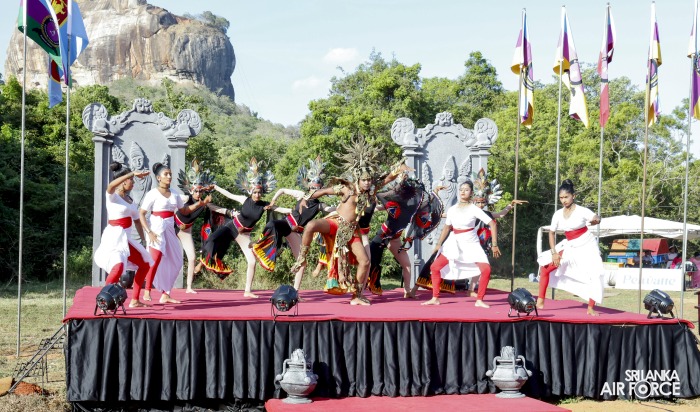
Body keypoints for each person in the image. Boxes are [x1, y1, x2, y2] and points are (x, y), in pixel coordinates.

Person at [290, 135, 408, 305]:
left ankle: (357, 295)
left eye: (369, 180)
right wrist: (306, 198)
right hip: (335, 222)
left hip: (351, 230)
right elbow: (324, 191)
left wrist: (399, 169)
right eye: (364, 180)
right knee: (311, 225)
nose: (367, 183)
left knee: (365, 262)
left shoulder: (371, 190)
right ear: (358, 179)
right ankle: (302, 257)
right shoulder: (347, 189)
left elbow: (387, 178)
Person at [199, 158, 279, 298]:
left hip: (244, 235)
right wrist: (215, 187)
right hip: (232, 227)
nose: (257, 195)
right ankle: (201, 263)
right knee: (213, 238)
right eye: (255, 192)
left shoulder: (264, 205)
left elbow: (279, 209)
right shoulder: (244, 199)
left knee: (252, 261)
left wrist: (293, 212)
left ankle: (247, 291)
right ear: (251, 192)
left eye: (259, 192)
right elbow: (229, 195)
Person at [251, 156, 333, 290]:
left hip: (295, 232)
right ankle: (260, 246)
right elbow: (282, 190)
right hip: (286, 224)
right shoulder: (301, 195)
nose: (314, 191)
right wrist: (273, 201)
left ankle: (295, 291)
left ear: (321, 191)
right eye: (312, 188)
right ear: (309, 187)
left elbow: (332, 210)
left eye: (317, 189)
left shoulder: (319, 205)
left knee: (302, 262)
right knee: (273, 224)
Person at [139, 161, 211, 304]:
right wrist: (149, 232)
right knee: (155, 259)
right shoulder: (152, 194)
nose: (169, 176)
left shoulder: (174, 193)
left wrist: (200, 204)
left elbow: (184, 210)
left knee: (176, 261)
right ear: (158, 178)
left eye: (170, 174)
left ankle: (166, 294)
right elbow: (141, 214)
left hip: (170, 229)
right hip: (156, 229)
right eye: (166, 174)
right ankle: (147, 290)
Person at [422, 180, 500, 307]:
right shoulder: (452, 209)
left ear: (471, 193)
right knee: (434, 267)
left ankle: (479, 300)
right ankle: (435, 298)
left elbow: (492, 223)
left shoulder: (474, 209)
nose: (463, 192)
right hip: (453, 242)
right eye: (461, 189)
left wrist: (495, 245)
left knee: (486, 269)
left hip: (471, 243)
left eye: (466, 190)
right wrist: (438, 244)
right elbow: (447, 227)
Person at [536, 179, 604, 316]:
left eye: (566, 197)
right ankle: (540, 302)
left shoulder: (582, 210)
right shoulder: (558, 214)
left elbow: (596, 217)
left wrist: (596, 219)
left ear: (573, 196)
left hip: (587, 244)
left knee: (595, 274)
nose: (564, 200)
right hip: (570, 245)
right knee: (545, 268)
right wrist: (554, 253)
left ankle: (591, 307)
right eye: (561, 198)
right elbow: (551, 233)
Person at [94, 162, 152, 308]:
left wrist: (143, 239)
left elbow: (137, 221)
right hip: (114, 238)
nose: (133, 183)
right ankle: (104, 300)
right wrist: (132, 173)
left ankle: (135, 300)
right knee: (118, 267)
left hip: (126, 239)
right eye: (131, 180)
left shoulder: (130, 200)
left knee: (145, 264)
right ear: (123, 181)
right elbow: (110, 186)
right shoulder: (112, 196)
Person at [469, 168, 527, 296]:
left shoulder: (486, 213)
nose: (480, 205)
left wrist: (511, 204)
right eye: (478, 202)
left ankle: (471, 289)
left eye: (482, 202)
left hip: (480, 244)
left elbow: (501, 214)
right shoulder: (469, 212)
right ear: (473, 201)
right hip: (467, 242)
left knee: (480, 267)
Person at [174, 159, 216, 294]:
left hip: (186, 231)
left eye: (200, 191)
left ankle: (188, 287)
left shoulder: (204, 202)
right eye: (196, 191)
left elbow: (216, 208)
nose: (198, 194)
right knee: (168, 257)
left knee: (192, 257)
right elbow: (176, 204)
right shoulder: (185, 199)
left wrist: (231, 213)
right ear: (191, 190)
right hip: (173, 228)